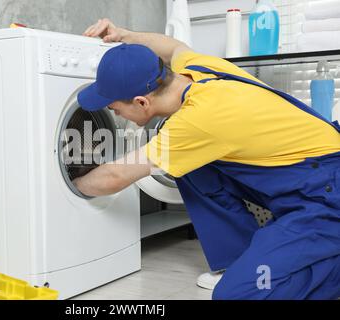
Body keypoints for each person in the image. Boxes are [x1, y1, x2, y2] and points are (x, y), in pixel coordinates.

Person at [73, 18, 340, 300]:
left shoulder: (197, 122)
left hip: (325, 196)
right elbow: (172, 46)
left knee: (237, 296)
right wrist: (126, 34)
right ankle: (239, 261)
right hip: (307, 180)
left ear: (142, 101)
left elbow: (117, 176)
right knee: (189, 165)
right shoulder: (196, 68)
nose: (115, 115)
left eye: (115, 108)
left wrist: (66, 182)